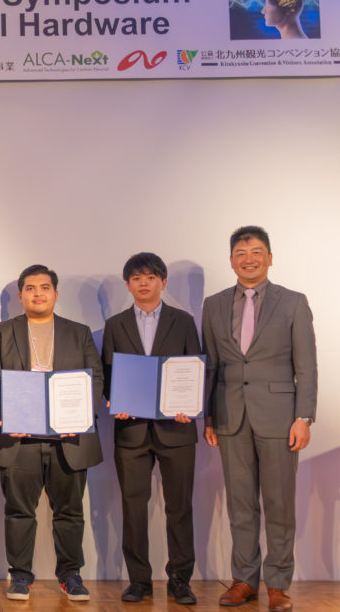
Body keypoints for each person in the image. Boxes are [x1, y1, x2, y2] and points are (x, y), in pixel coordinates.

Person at [202, 226, 316, 611]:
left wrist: (304, 417)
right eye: (240, 253)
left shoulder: (293, 302)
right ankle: (244, 581)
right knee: (240, 505)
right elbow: (211, 365)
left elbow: (307, 367)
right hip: (230, 416)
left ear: (269, 257)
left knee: (279, 503)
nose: (248, 259)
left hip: (280, 418)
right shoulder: (213, 305)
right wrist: (209, 416)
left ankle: (278, 584)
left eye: (256, 252)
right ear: (231, 260)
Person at [0, 264, 103, 603]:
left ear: (55, 294)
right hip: (20, 439)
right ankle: (20, 576)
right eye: (31, 288)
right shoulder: (3, 331)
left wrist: (80, 416)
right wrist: (7, 415)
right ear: (21, 296)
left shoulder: (79, 332)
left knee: (70, 511)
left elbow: (95, 378)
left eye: (45, 287)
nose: (38, 293)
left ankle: (71, 575)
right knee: (19, 511)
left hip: (68, 439)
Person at [100, 253, 201, 605]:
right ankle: (139, 581)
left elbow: (193, 369)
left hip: (177, 429)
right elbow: (107, 374)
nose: (143, 283)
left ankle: (180, 580)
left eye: (151, 277)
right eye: (136, 278)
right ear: (128, 285)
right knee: (133, 508)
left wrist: (191, 406)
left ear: (163, 282)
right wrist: (114, 399)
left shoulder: (183, 321)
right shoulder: (115, 325)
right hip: (131, 431)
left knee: (180, 508)